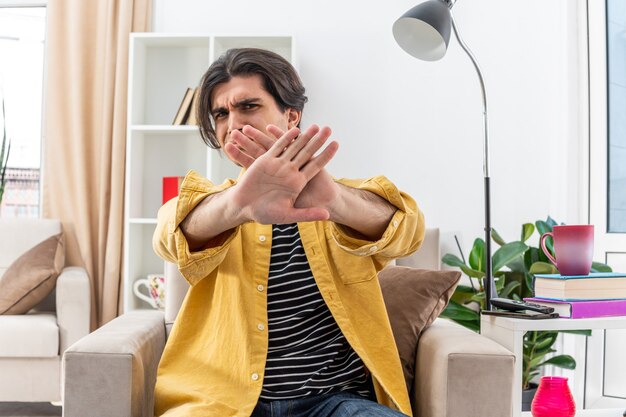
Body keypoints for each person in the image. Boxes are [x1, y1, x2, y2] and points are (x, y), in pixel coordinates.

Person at [152, 47, 425, 417]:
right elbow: (170, 234)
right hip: (222, 402)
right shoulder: (209, 206)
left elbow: (408, 230)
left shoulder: (343, 200)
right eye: (221, 113)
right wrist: (237, 206)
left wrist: (335, 201)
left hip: (337, 402)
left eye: (248, 106)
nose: (232, 123)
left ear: (291, 115)